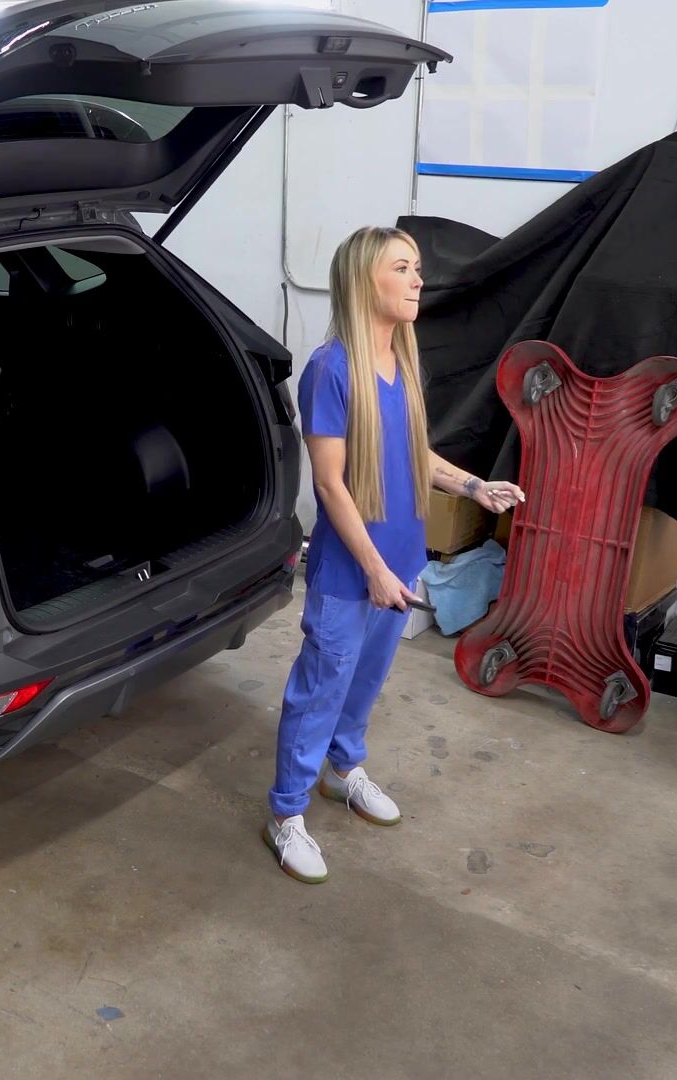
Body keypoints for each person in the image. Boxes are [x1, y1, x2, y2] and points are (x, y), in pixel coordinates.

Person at [264, 226, 523, 884]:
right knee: (320, 689)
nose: (418, 280)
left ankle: (343, 770)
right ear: (364, 281)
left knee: (365, 681)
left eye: (417, 268)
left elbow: (413, 451)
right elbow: (330, 484)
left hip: (399, 561)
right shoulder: (331, 369)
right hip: (352, 571)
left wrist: (473, 486)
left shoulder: (401, 361)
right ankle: (286, 812)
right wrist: (374, 569)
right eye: (402, 268)